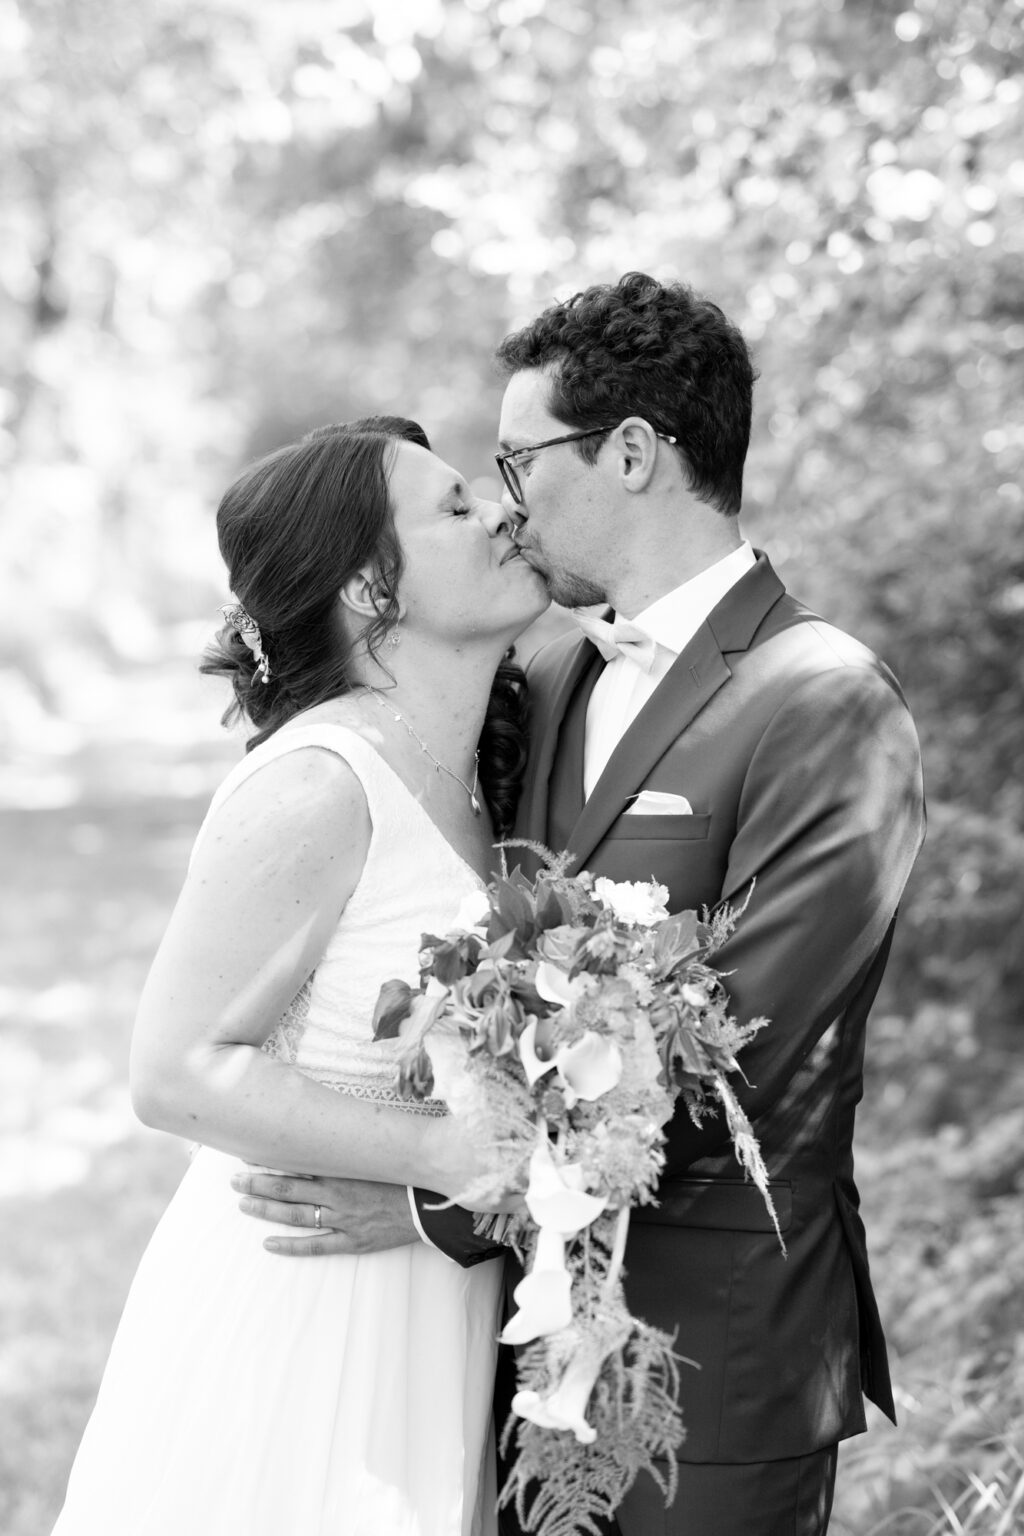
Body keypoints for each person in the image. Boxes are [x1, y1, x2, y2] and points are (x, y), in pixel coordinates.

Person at [240, 275, 926, 1536]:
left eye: (518, 460)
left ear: (628, 453)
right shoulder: (546, 673)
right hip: (508, 1355)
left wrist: (426, 1205)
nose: (506, 503)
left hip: (717, 1358)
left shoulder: (824, 702)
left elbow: (748, 1064)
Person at [51, 417, 550, 1536]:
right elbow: (174, 1074)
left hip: (430, 1298)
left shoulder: (480, 769)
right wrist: (441, 1155)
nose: (501, 512)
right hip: (302, 1302)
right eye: (457, 509)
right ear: (374, 588)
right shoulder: (319, 785)